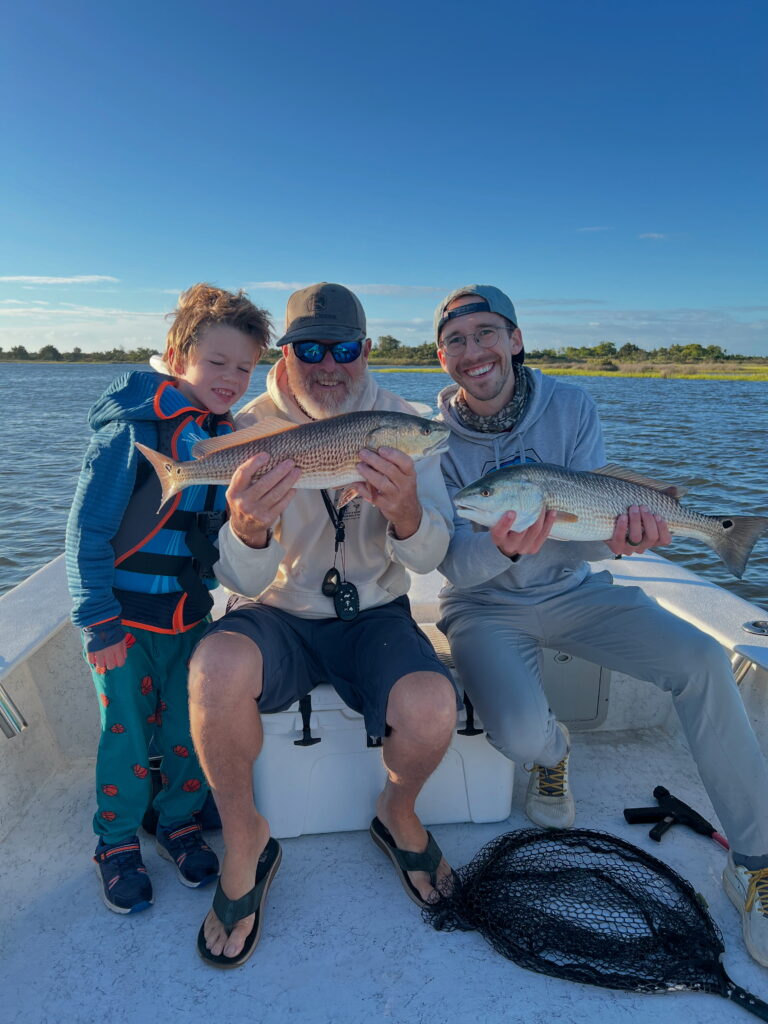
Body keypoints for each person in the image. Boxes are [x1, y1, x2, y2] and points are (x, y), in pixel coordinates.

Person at [433, 283, 768, 968]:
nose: (475, 352)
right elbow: (446, 563)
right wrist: (499, 546)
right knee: (522, 735)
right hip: (484, 603)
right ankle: (554, 755)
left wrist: (624, 540)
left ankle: (757, 863)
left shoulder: (571, 405)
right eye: (457, 341)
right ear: (441, 357)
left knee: (703, 661)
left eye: (488, 332)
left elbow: (584, 535)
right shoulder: (431, 443)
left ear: (516, 339)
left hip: (576, 587)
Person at [188, 282, 459, 968]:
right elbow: (240, 584)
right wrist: (248, 529)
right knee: (213, 666)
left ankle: (397, 812)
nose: (328, 363)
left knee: (432, 705)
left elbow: (433, 555)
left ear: (366, 350)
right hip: (277, 613)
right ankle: (247, 838)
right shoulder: (246, 427)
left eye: (344, 349)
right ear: (286, 351)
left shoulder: (403, 421)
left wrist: (406, 515)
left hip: (373, 614)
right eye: (310, 348)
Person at [66, 283, 272, 914]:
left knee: (188, 730)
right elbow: (85, 534)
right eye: (217, 363)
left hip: (189, 619)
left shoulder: (227, 438)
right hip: (121, 626)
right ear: (177, 355)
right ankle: (117, 843)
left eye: (245, 368)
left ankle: (178, 822)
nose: (233, 379)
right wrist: (98, 624)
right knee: (126, 739)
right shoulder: (131, 433)